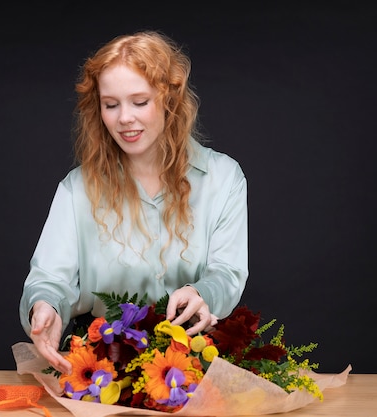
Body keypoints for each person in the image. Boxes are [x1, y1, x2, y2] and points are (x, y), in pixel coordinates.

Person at [19, 30, 248, 375]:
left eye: (139, 102)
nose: (124, 118)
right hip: (103, 363)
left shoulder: (224, 177)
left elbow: (227, 272)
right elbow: (50, 278)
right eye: (111, 104)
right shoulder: (76, 189)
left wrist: (203, 293)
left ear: (169, 99)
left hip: (194, 360)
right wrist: (45, 306)